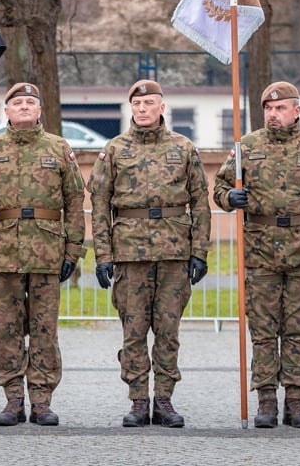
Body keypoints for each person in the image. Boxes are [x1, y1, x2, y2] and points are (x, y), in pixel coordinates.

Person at [214, 81, 300, 429]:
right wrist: (230, 199)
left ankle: (295, 401)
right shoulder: (247, 147)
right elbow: (220, 187)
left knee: (297, 331)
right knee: (264, 331)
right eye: (268, 109)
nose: (273, 114)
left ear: (296, 111)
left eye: (280, 108)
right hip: (260, 253)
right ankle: (266, 400)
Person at [88, 79, 210, 428]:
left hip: (174, 252)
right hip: (129, 253)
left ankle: (165, 400)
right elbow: (98, 205)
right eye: (136, 105)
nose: (142, 110)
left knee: (168, 330)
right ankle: (139, 400)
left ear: (162, 107)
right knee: (134, 331)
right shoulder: (114, 149)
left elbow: (200, 202)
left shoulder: (183, 148)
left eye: (149, 103)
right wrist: (103, 254)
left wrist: (199, 251)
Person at [0, 82, 85, 427]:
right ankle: (13, 398)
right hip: (2, 251)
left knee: (44, 330)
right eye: (18, 103)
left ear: (40, 110)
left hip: (47, 249)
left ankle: (42, 400)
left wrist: (73, 250)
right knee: (7, 329)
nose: (25, 107)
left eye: (31, 101)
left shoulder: (59, 148)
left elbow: (75, 202)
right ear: (7, 111)